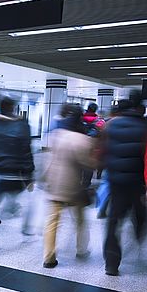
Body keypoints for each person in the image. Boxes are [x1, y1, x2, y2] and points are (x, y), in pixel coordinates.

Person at [101, 91, 147, 276]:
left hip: (116, 182)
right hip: (137, 183)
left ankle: (111, 263)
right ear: (142, 106)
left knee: (114, 220)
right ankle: (138, 237)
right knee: (141, 215)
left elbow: (102, 151)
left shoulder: (111, 125)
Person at [41, 104, 96, 268]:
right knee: (80, 220)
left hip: (55, 186)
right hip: (74, 187)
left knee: (52, 222)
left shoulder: (55, 135)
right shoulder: (82, 139)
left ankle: (49, 258)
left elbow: (47, 159)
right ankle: (81, 249)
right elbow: (89, 164)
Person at [0, 98, 35, 255]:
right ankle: (26, 231)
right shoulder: (22, 125)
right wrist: (29, 175)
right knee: (27, 202)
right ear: (14, 108)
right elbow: (26, 151)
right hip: (17, 174)